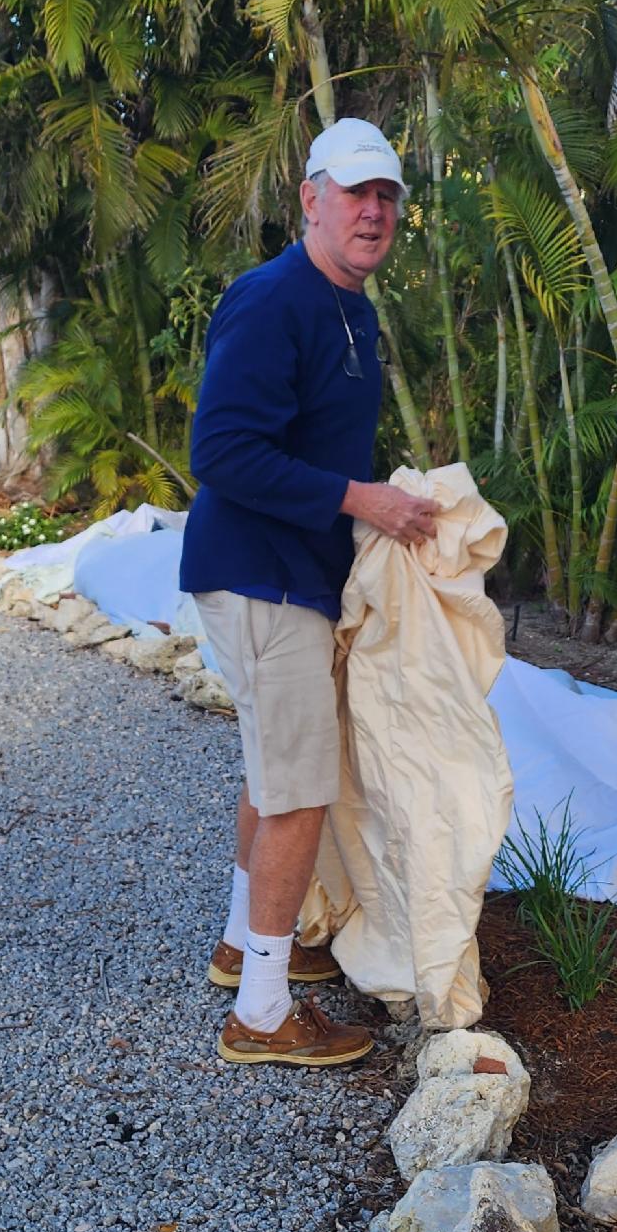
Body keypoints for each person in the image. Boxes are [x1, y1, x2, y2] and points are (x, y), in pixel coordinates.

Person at [179, 117, 438, 1066]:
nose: (374, 210)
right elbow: (221, 451)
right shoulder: (272, 297)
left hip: (294, 578)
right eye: (356, 191)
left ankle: (239, 944)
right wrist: (360, 498)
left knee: (272, 772)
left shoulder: (350, 309)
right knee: (297, 793)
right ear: (310, 198)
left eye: (387, 195)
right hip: (261, 578)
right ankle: (260, 1013)